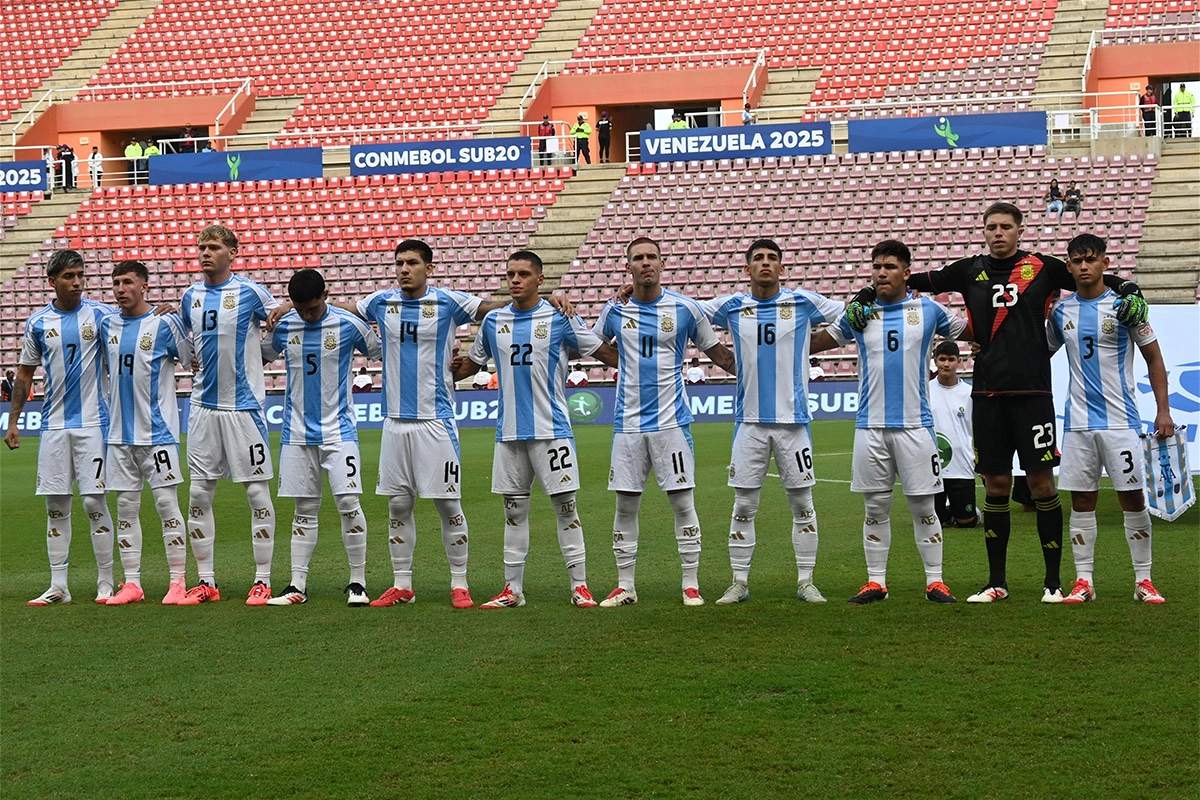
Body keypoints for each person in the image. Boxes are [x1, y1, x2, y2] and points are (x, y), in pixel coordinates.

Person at [842, 202, 1148, 604]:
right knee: (997, 484)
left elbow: (1090, 275)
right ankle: (996, 582)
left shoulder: (1044, 266)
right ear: (983, 231)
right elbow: (905, 278)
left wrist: (1129, 288)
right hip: (986, 393)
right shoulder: (967, 269)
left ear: (1020, 230)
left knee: (1041, 485)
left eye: (1006, 226)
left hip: (1034, 394)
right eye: (991, 227)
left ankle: (1053, 582)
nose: (998, 233)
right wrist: (866, 291)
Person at [334, 239, 577, 608]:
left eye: (412, 263)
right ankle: (403, 585)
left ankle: (459, 583)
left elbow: (494, 307)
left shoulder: (448, 301)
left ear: (428, 268)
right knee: (398, 505)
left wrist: (549, 299)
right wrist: (291, 302)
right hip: (395, 422)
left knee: (448, 504)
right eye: (399, 263)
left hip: (437, 421)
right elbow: (340, 306)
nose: (403, 269)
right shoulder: (382, 301)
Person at [452, 250, 618, 608]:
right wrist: (437, 367)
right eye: (511, 273)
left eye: (524, 274)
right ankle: (513, 590)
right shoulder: (494, 322)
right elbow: (468, 366)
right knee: (513, 513)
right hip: (509, 434)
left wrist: (642, 364)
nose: (515, 280)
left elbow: (603, 352)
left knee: (566, 509)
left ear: (540, 280)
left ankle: (580, 586)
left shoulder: (559, 317)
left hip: (552, 430)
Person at [813, 240, 969, 604]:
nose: (881, 272)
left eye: (890, 267)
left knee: (924, 507)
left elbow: (972, 330)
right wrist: (844, 315)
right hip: (870, 427)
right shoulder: (860, 314)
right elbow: (816, 343)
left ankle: (935, 581)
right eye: (877, 267)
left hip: (916, 426)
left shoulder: (928, 310)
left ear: (906, 273)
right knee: (875, 508)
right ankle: (875, 582)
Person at [593, 238, 736, 607]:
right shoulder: (614, 310)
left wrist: (758, 368)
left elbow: (719, 354)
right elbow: (588, 344)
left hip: (672, 423)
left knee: (682, 503)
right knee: (625, 506)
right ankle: (625, 585)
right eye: (637, 258)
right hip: (627, 424)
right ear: (628, 266)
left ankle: (690, 583)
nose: (645, 264)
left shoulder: (685, 309)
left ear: (662, 263)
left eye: (651, 257)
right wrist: (624, 362)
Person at [705, 239, 844, 605]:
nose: (765, 264)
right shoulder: (732, 307)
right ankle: (738, 582)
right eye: (758, 259)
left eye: (772, 259)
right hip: (748, 423)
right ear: (747, 268)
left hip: (793, 423)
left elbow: (849, 316)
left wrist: (810, 344)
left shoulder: (803, 302)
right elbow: (685, 312)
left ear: (782, 268)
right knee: (744, 506)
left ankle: (805, 581)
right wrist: (722, 357)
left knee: (802, 504)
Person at [1048, 234, 1172, 605]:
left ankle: (1144, 580)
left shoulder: (1126, 307)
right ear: (1068, 267)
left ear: (1105, 262)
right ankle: (1084, 581)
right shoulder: (1060, 312)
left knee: (1132, 499)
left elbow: (1154, 359)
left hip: (1121, 422)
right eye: (1076, 261)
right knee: (1082, 501)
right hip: (1078, 425)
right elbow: (1037, 353)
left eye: (1090, 259)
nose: (1084, 266)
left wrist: (1162, 410)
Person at [261, 269, 382, 606]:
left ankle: (357, 582)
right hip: (296, 434)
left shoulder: (347, 324)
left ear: (325, 295)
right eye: (300, 309)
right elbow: (259, 356)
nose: (308, 315)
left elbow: (382, 350)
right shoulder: (286, 325)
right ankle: (297, 585)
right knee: (304, 508)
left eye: (313, 308)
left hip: (338, 431)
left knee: (348, 504)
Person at [175, 224, 281, 606]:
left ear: (233, 252)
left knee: (255, 492)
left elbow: (280, 320)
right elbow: (187, 342)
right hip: (203, 407)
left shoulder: (251, 292)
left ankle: (263, 580)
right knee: (199, 493)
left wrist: (269, 346)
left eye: (214, 247)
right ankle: (206, 582)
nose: (205, 253)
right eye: (201, 247)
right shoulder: (191, 296)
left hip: (244, 409)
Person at [4, 250, 117, 605]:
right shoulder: (37, 323)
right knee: (55, 505)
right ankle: (59, 586)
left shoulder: (100, 315)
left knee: (94, 502)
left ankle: (106, 582)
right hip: (53, 426)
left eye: (80, 275)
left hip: (93, 424)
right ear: (52, 281)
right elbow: (24, 374)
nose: (77, 282)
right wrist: (14, 420)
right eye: (69, 276)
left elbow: (135, 323)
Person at [98, 260, 191, 606]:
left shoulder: (163, 324)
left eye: (128, 283)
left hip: (159, 434)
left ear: (144, 286)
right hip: (119, 435)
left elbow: (190, 358)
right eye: (116, 283)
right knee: (125, 508)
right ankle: (133, 583)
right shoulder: (107, 325)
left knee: (167, 505)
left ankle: (178, 582)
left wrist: (179, 313)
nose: (121, 289)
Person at [928, 340, 978, 528]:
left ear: (958, 361)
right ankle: (948, 509)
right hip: (932, 466)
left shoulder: (968, 393)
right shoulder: (925, 390)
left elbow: (976, 429)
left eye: (951, 359)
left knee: (967, 522)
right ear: (935, 360)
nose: (946, 364)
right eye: (942, 359)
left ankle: (965, 511)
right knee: (933, 522)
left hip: (961, 464)